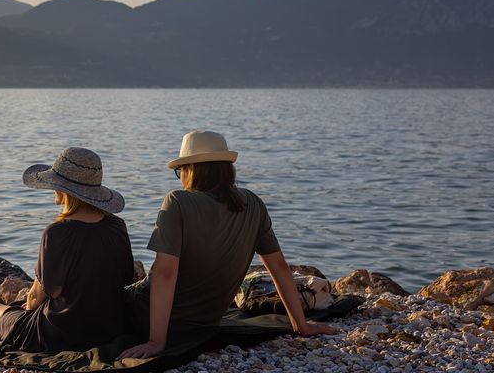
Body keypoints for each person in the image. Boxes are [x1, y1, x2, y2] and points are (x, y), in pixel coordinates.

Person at [119, 131, 338, 360]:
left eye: (180, 170)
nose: (180, 176)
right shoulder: (252, 203)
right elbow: (279, 267)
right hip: (205, 321)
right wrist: (300, 325)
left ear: (191, 169)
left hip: (146, 313)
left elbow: (165, 273)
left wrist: (156, 342)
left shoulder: (178, 202)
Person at [0, 147, 135, 352]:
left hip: (61, 333)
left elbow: (35, 298)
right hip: (108, 328)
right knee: (10, 313)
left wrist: (29, 309)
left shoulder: (57, 233)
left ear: (63, 190)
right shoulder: (117, 226)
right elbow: (124, 278)